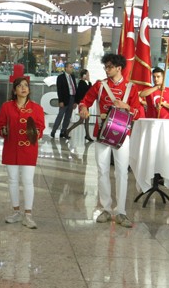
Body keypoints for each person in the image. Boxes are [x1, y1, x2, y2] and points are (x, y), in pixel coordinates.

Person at [79, 53, 141, 228]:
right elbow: (85, 101)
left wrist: (127, 106)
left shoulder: (131, 88)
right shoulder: (100, 85)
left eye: (110, 67)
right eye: (105, 67)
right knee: (102, 171)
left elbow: (138, 112)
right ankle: (106, 208)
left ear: (119, 68)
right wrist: (83, 108)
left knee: (121, 172)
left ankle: (121, 211)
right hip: (102, 133)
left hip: (122, 135)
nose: (107, 70)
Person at [0, 77, 45, 229]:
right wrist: (4, 130)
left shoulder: (37, 108)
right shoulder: (6, 107)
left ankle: (28, 215)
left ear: (29, 90)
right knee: (12, 180)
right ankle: (16, 212)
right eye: (20, 86)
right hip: (11, 147)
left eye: (26, 86)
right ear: (14, 90)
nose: (23, 88)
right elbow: (0, 125)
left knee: (28, 181)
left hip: (28, 148)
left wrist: (36, 133)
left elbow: (40, 128)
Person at [65, 69, 93, 142]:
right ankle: (67, 131)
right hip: (83, 104)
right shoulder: (82, 83)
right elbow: (88, 90)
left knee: (86, 119)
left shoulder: (83, 83)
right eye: (87, 75)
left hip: (85, 104)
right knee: (81, 120)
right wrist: (89, 81)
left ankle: (87, 135)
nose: (88, 76)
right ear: (83, 76)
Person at [50, 62, 76, 139]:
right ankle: (53, 131)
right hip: (64, 99)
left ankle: (63, 132)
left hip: (72, 98)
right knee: (60, 115)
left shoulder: (73, 77)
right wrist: (60, 101)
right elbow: (59, 90)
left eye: (72, 67)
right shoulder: (60, 77)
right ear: (66, 68)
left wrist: (75, 101)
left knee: (68, 116)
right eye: (70, 67)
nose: (72, 69)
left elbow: (75, 88)